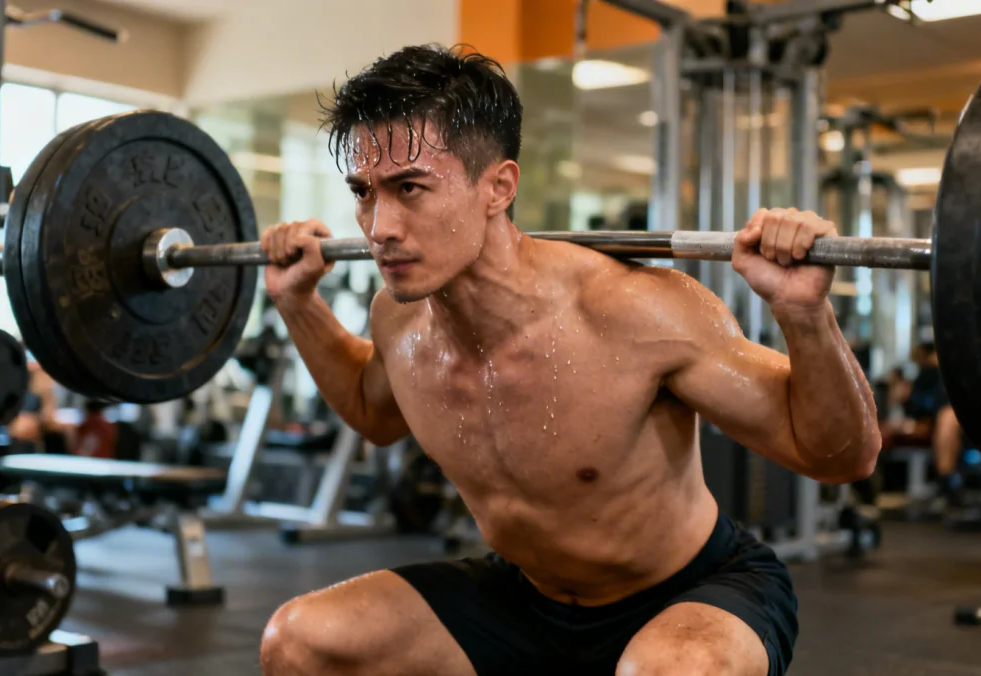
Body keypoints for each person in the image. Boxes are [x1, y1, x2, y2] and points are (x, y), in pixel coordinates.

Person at [258, 45, 881, 676]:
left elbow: (842, 456)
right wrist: (298, 304)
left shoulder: (636, 311)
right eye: (364, 192)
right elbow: (374, 414)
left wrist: (804, 315)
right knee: (298, 641)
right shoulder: (399, 320)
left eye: (410, 188)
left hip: (688, 593)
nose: (379, 226)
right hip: (524, 599)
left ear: (498, 187)